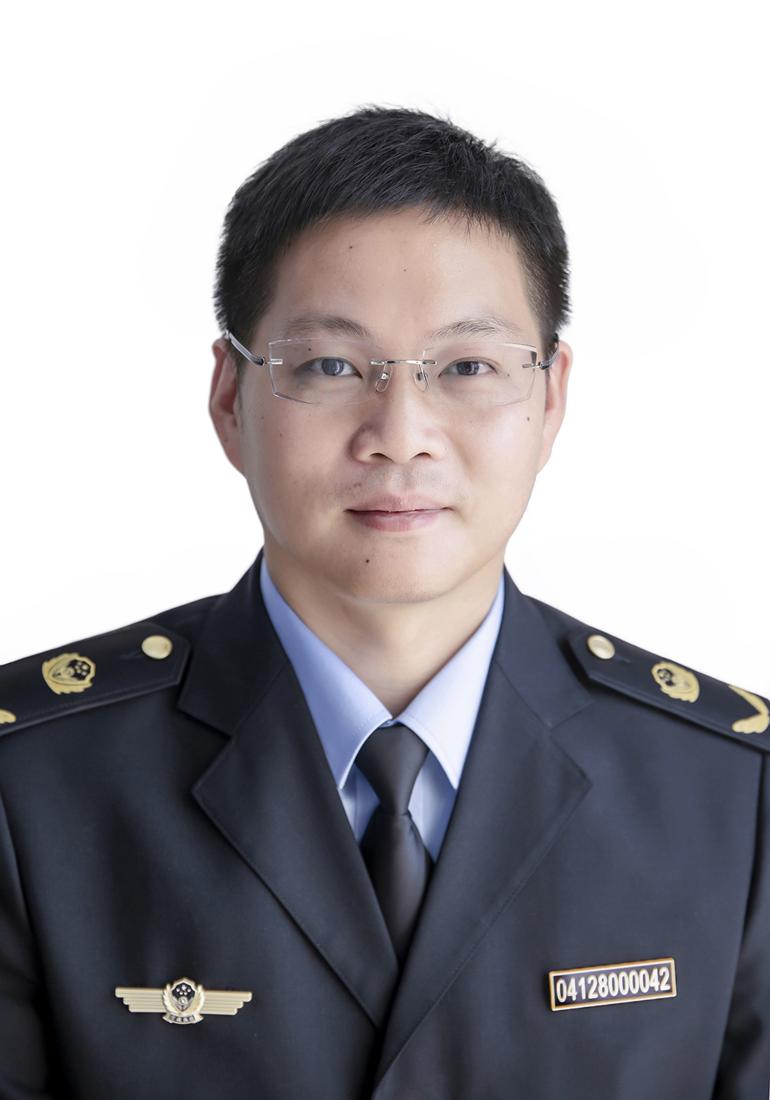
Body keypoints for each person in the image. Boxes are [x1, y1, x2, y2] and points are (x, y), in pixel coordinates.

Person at [0, 104, 768, 1100]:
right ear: (230, 397)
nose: (400, 433)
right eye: (329, 365)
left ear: (550, 399)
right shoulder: (32, 788)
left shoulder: (731, 796)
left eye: (467, 367)